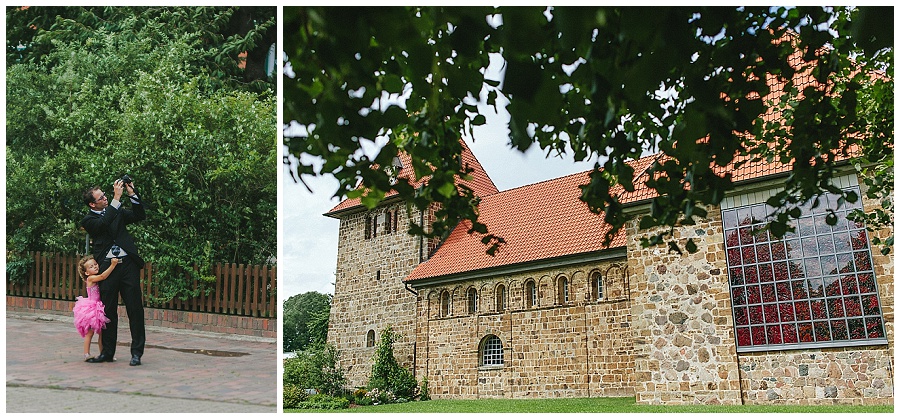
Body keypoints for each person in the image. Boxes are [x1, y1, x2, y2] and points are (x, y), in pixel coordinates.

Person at [81, 178, 148, 366]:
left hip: (127, 265)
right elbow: (103, 224)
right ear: (92, 204)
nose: (105, 198)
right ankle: (107, 353)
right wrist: (116, 200)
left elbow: (139, 215)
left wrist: (131, 194)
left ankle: (137, 353)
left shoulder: (116, 210)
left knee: (135, 308)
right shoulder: (88, 220)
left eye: (105, 195)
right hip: (107, 268)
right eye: (101, 197)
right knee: (108, 310)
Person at [73, 255, 119, 361]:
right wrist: (113, 265)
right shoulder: (91, 278)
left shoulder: (94, 276)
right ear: (86, 273)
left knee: (102, 334)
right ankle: (86, 354)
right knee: (90, 332)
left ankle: (104, 353)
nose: (95, 267)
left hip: (99, 307)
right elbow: (103, 276)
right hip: (92, 308)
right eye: (91, 266)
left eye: (95, 264)